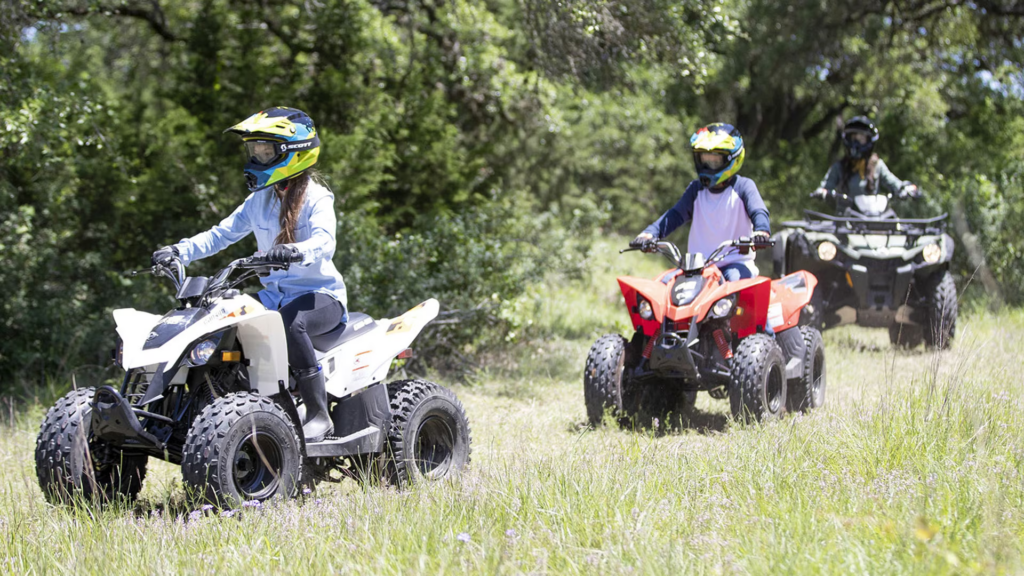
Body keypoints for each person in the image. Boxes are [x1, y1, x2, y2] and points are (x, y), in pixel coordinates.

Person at [151, 107, 344, 442]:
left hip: (320, 297)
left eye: (265, 150)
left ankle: (318, 415)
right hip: (273, 297)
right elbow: (219, 235)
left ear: (292, 153)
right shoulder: (259, 201)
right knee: (223, 320)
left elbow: (325, 242)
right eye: (253, 150)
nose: (256, 157)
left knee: (289, 323)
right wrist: (178, 251)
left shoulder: (317, 197)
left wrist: (295, 250)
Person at [631, 122, 771, 282]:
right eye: (704, 159)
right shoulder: (696, 189)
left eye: (715, 161)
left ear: (734, 159)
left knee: (734, 286)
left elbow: (758, 211)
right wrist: (650, 233)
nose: (708, 166)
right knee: (664, 285)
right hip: (697, 267)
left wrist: (762, 232)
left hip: (735, 265)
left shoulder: (743, 186)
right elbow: (674, 215)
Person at [812, 116, 919, 209]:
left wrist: (907, 188)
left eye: (861, 138)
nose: (856, 143)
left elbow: (894, 183)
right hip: (846, 221)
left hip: (873, 219)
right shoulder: (839, 167)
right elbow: (826, 186)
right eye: (854, 138)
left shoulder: (877, 165)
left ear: (869, 140)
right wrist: (823, 192)